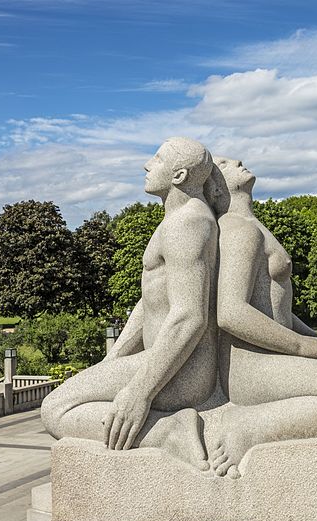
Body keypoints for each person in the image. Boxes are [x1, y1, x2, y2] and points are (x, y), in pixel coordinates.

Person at [41, 137, 218, 469]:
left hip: (181, 371)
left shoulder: (187, 223)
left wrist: (140, 392)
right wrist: (115, 358)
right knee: (66, 400)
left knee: (55, 408)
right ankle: (164, 429)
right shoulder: (176, 220)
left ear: (178, 176)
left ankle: (166, 432)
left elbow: (189, 316)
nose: (147, 165)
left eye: (157, 158)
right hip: (165, 362)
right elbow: (149, 301)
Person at [204, 157, 317, 478]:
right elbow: (230, 313)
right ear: (214, 186)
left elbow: (276, 310)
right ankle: (248, 427)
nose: (238, 161)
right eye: (226, 164)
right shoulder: (237, 228)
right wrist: (304, 347)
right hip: (253, 366)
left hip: (276, 355)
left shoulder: (252, 226)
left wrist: (313, 337)